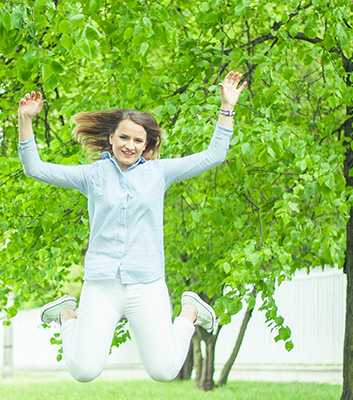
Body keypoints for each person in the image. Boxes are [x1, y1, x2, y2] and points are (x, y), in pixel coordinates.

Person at [17, 71, 246, 382]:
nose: (130, 145)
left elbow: (214, 156)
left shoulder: (159, 173)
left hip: (146, 283)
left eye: (139, 140)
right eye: (124, 137)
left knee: (164, 370)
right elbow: (35, 168)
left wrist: (227, 108)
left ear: (146, 144)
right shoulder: (93, 175)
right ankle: (66, 313)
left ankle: (190, 311)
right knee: (84, 370)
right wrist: (25, 120)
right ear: (111, 139)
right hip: (102, 284)